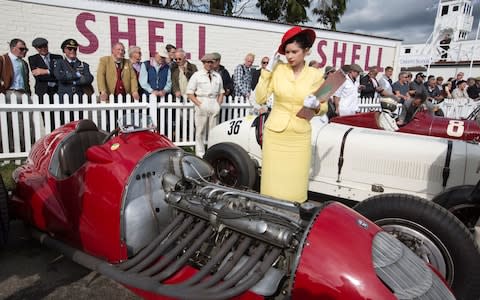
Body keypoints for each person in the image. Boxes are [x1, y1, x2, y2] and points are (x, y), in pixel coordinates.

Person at [255, 26, 328, 203]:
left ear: (306, 51)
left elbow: (324, 107)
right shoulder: (278, 70)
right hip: (275, 134)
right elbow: (260, 98)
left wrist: (317, 105)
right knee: (272, 182)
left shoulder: (316, 75)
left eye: (294, 51)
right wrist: (266, 72)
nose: (289, 56)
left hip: (300, 136)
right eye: (287, 52)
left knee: (295, 184)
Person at [186, 53, 224, 158]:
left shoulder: (217, 76)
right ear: (203, 63)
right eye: (207, 62)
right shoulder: (197, 75)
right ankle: (200, 153)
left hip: (213, 102)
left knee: (213, 130)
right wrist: (199, 104)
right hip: (202, 101)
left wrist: (218, 104)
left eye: (211, 62)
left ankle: (212, 152)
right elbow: (189, 93)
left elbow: (221, 91)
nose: (209, 64)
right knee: (200, 130)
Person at [0, 38, 31, 152]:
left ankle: (26, 147)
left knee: (27, 123)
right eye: (21, 49)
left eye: (25, 49)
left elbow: (26, 80)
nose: (24, 51)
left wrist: (28, 93)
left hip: (23, 94)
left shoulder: (24, 63)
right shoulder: (3, 59)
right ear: (13, 48)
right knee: (11, 122)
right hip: (10, 93)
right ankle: (12, 149)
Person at [28, 37, 62, 102]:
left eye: (45, 46)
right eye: (40, 47)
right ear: (36, 48)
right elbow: (38, 77)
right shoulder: (33, 59)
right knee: (44, 111)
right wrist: (54, 74)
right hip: (42, 90)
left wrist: (46, 71)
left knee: (59, 111)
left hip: (57, 89)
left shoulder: (58, 57)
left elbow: (61, 74)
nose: (43, 49)